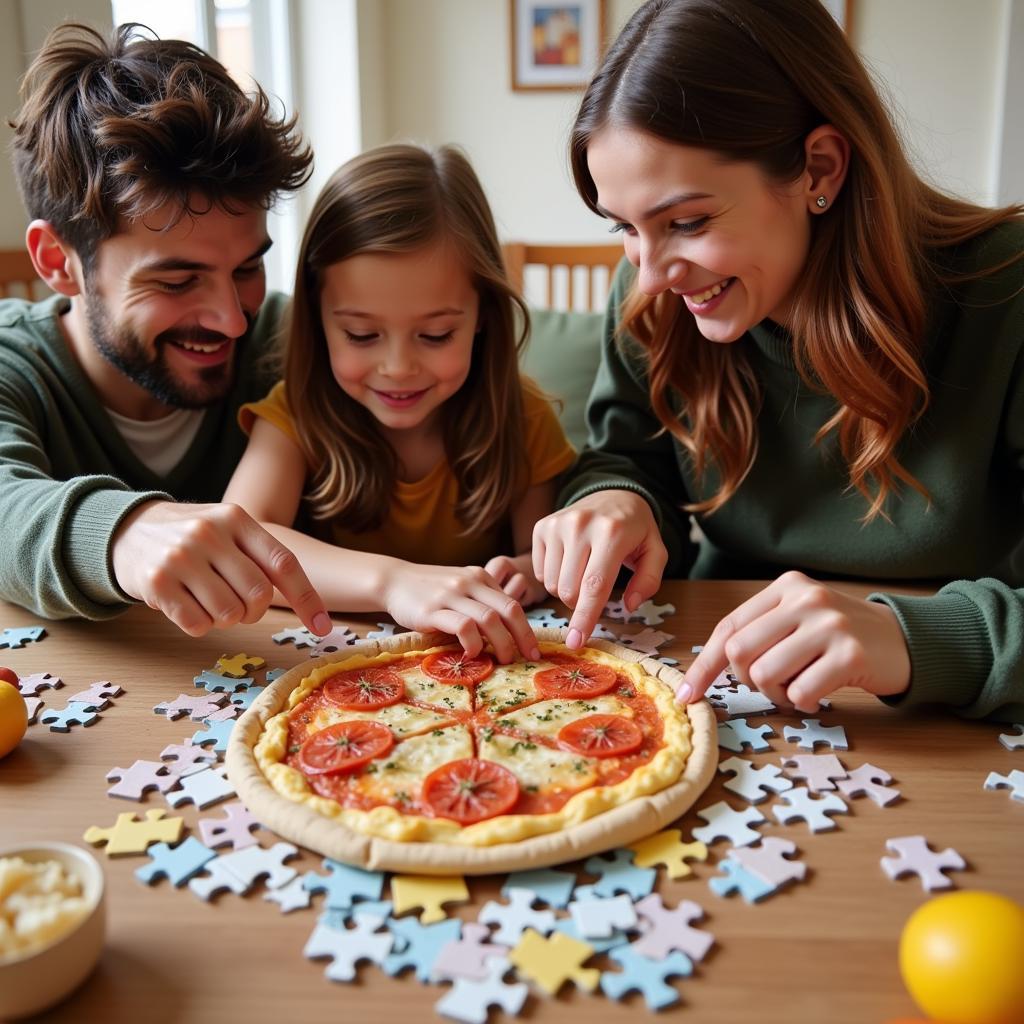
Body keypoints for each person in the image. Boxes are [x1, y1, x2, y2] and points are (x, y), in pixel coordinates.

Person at [532, 0, 1023, 720]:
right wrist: (616, 501)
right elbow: (628, 459)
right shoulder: (653, 297)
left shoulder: (1006, 293)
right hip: (721, 683)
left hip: (949, 716)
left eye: (688, 222)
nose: (648, 275)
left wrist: (913, 638)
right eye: (625, 229)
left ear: (819, 167)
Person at [0, 22, 336, 639]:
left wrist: (579, 504)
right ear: (58, 262)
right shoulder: (12, 367)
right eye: (177, 282)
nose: (233, 319)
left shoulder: (302, 343)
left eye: (247, 267)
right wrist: (123, 531)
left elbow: (525, 435)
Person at [223, 144, 574, 661]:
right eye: (361, 334)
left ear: (482, 316)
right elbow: (242, 545)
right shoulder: (293, 417)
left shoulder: (524, 417)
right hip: (334, 669)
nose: (398, 367)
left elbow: (537, 560)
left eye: (435, 335)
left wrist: (527, 574)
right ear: (318, 321)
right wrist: (392, 583)